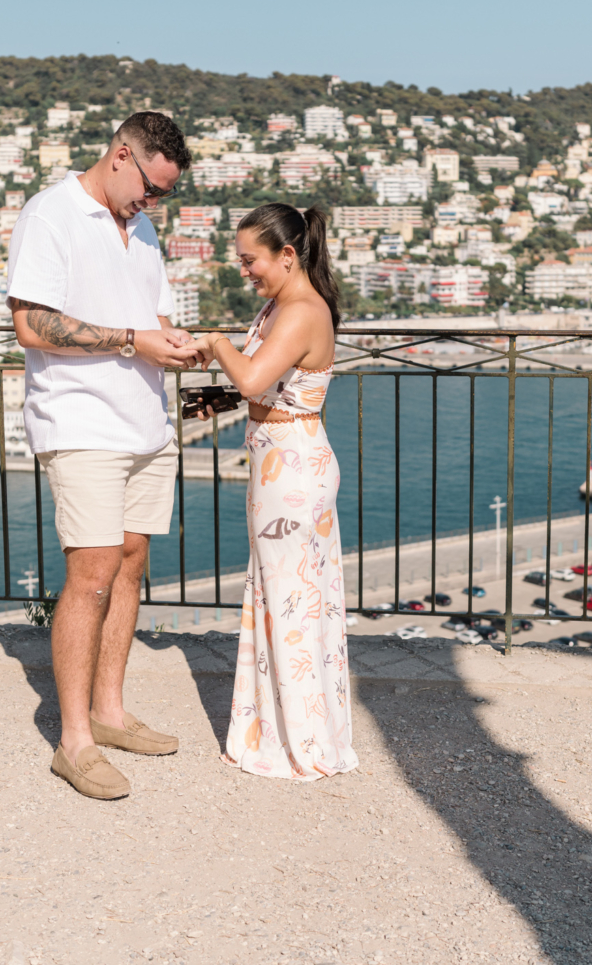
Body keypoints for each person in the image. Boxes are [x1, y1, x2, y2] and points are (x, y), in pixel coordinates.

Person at [5, 111, 199, 801]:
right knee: (89, 574)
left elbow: (156, 318)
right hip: (81, 420)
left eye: (164, 196)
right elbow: (31, 322)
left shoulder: (141, 228)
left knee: (130, 568)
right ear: (122, 156)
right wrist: (131, 341)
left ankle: (111, 713)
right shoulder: (51, 215)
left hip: (145, 423)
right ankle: (74, 742)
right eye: (151, 189)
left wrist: (176, 345)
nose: (154, 204)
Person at [189, 203, 358, 780]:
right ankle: (288, 732)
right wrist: (228, 398)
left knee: (291, 603)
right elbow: (265, 384)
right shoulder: (280, 306)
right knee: (280, 598)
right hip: (277, 462)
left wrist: (214, 341)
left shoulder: (302, 310)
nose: (245, 271)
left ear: (287, 255)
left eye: (250, 260)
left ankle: (302, 744)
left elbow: (256, 375)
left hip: (292, 470)